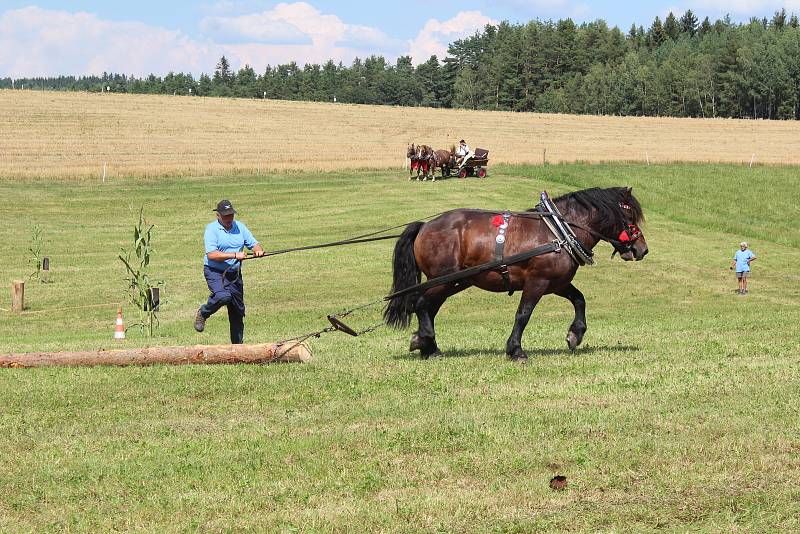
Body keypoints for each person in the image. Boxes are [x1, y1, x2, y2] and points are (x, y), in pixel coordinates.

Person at [194, 200, 264, 343]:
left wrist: (258, 251)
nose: (229, 219)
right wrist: (234, 255)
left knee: (237, 312)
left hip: (234, 274)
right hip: (215, 271)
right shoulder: (211, 229)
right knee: (223, 296)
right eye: (225, 216)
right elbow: (212, 254)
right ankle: (203, 312)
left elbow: (254, 244)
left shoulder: (240, 227)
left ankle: (237, 349)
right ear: (218, 216)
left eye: (231, 215)